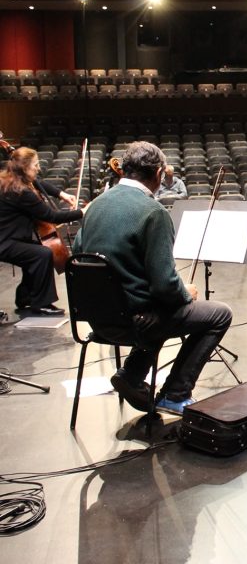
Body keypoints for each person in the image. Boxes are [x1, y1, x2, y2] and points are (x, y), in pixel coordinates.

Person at [73, 141, 232, 415]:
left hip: (97, 319)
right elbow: (165, 286)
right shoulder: (154, 212)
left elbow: (77, 257)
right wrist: (186, 293)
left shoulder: (96, 205)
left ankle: (131, 375)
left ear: (125, 170)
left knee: (154, 305)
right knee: (218, 315)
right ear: (159, 174)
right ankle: (175, 394)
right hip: (135, 323)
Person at [0, 146, 84, 315]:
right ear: (24, 168)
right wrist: (82, 212)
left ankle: (25, 297)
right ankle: (41, 303)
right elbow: (51, 216)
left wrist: (61, 194)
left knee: (33, 252)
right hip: (5, 242)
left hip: (11, 235)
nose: (38, 168)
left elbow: (38, 182)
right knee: (42, 254)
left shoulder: (9, 179)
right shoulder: (22, 192)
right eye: (35, 165)